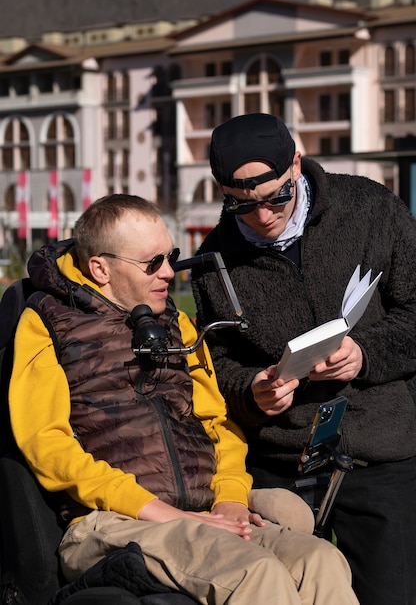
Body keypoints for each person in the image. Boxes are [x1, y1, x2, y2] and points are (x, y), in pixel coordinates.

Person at [8, 194, 358, 605]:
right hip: (111, 522)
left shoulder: (177, 325)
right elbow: (46, 445)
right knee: (257, 575)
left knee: (321, 560)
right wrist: (163, 513)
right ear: (101, 268)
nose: (169, 272)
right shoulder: (45, 323)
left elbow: (219, 424)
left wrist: (228, 499)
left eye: (171, 256)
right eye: (152, 262)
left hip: (203, 512)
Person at [191, 112, 416, 605]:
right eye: (241, 205)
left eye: (276, 197)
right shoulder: (213, 261)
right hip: (283, 458)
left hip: (382, 447)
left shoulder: (372, 209)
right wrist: (251, 390)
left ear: (295, 163)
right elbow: (215, 366)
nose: (263, 215)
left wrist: (366, 353)